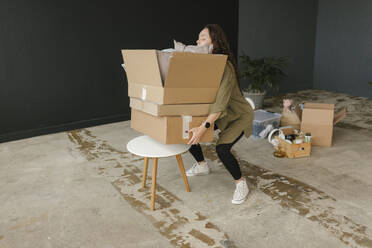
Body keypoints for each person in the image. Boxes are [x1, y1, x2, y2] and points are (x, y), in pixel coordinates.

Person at [186, 24, 254, 205]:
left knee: (222, 149)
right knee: (187, 131)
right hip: (221, 114)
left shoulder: (226, 67)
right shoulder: (206, 65)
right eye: (198, 38)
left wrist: (204, 126)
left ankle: (241, 184)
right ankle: (202, 165)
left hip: (238, 116)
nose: (197, 41)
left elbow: (221, 102)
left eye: (202, 38)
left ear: (214, 42)